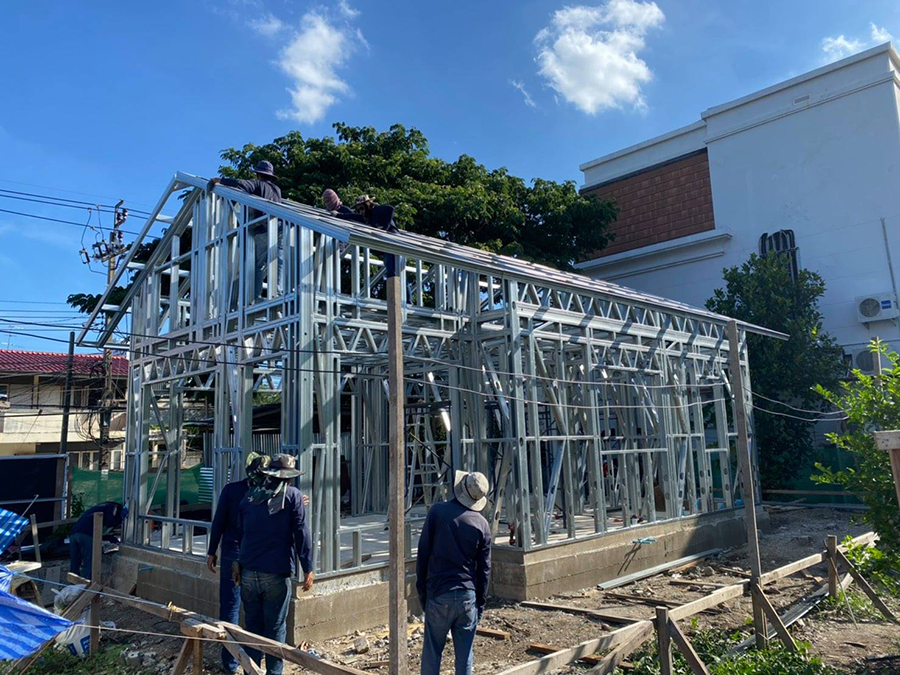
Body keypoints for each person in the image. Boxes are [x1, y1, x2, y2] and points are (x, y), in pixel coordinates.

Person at [236, 454, 313, 675]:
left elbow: (240, 530)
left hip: (248, 571)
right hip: (275, 573)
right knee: (275, 628)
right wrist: (308, 567)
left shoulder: (251, 496)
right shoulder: (293, 495)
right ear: (289, 476)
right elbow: (301, 533)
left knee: (252, 628)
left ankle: (251, 671)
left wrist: (239, 561)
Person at [416, 471, 492, 675]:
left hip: (439, 594)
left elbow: (423, 555)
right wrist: (480, 605)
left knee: (432, 654)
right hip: (467, 597)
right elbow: (484, 570)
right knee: (465, 658)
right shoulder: (482, 525)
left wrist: (423, 594)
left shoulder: (437, 512)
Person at [206, 452, 270, 675]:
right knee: (257, 609)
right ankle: (254, 657)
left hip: (233, 554)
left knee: (230, 607)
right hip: (257, 556)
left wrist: (211, 551)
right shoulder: (268, 492)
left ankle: (231, 662)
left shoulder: (231, 490)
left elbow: (218, 522)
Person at [208, 160, 283, 301]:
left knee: (257, 265)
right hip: (279, 229)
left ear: (258, 175)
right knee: (278, 260)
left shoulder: (257, 184)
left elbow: (240, 183)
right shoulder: (277, 190)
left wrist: (218, 180)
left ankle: (255, 297)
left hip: (264, 229)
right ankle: (278, 292)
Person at [325, 191, 400, 278]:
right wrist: (338, 215)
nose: (361, 212)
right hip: (386, 243)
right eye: (359, 210)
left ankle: (396, 284)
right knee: (389, 266)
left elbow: (390, 209)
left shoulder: (376, 210)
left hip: (392, 238)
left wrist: (384, 228)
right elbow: (352, 216)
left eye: (362, 208)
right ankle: (395, 283)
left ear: (367, 205)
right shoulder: (366, 216)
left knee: (391, 268)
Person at [69, 501, 126, 580]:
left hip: (74, 533)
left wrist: (108, 537)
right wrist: (121, 519)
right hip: (87, 534)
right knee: (89, 560)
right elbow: (110, 522)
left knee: (75, 561)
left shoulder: (100, 507)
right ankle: (88, 582)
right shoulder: (113, 507)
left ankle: (73, 581)